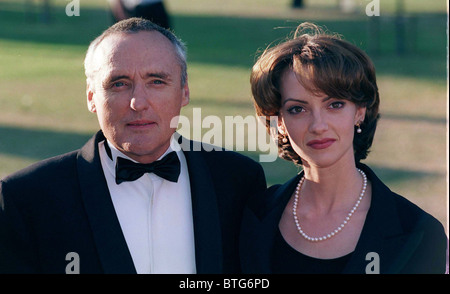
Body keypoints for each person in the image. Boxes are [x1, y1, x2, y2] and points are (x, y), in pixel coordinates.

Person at [0, 18, 267, 274]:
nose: (138, 102)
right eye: (119, 84)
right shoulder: (28, 198)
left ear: (185, 91)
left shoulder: (239, 181)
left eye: (157, 82)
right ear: (92, 96)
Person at [240, 22, 448, 274]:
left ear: (360, 111)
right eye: (298, 109)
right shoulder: (251, 216)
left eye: (334, 105)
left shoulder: (418, 233)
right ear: (280, 122)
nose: (318, 125)